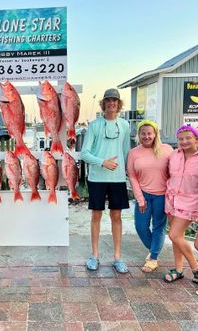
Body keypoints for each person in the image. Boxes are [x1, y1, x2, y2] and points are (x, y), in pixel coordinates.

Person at [80, 88, 130, 273]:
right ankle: (95, 255)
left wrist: (130, 173)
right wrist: (103, 162)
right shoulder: (94, 125)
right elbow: (84, 153)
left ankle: (117, 257)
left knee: (116, 216)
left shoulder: (125, 125)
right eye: (108, 100)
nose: (111, 103)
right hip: (97, 178)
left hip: (117, 179)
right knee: (96, 216)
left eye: (114, 101)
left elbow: (126, 153)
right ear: (103, 103)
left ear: (118, 104)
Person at [127, 120, 173, 272]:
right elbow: (132, 176)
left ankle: (153, 258)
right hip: (144, 196)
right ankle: (154, 248)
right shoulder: (133, 153)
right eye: (143, 133)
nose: (146, 136)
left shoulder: (167, 149)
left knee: (159, 227)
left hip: (162, 196)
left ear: (155, 134)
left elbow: (175, 171)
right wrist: (140, 199)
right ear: (138, 135)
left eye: (149, 133)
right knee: (140, 227)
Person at [164, 125, 198, 283]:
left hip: (191, 202)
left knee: (174, 235)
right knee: (177, 238)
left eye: (188, 138)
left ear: (195, 139)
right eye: (181, 138)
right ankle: (178, 270)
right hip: (171, 200)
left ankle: (195, 269)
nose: (184, 141)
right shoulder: (173, 155)